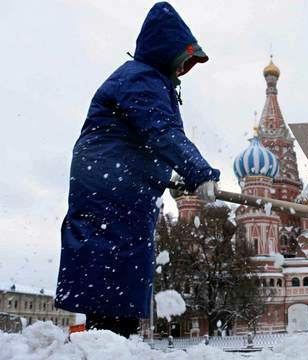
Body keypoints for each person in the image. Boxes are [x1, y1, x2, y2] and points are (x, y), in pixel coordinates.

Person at [54, 2, 219, 337]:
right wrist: (198, 172)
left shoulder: (147, 80)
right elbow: (159, 131)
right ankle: (106, 344)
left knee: (119, 274)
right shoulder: (142, 78)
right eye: (184, 59)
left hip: (118, 188)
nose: (185, 68)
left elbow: (141, 140)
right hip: (109, 189)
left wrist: (170, 176)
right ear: (167, 52)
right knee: (110, 270)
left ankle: (113, 341)